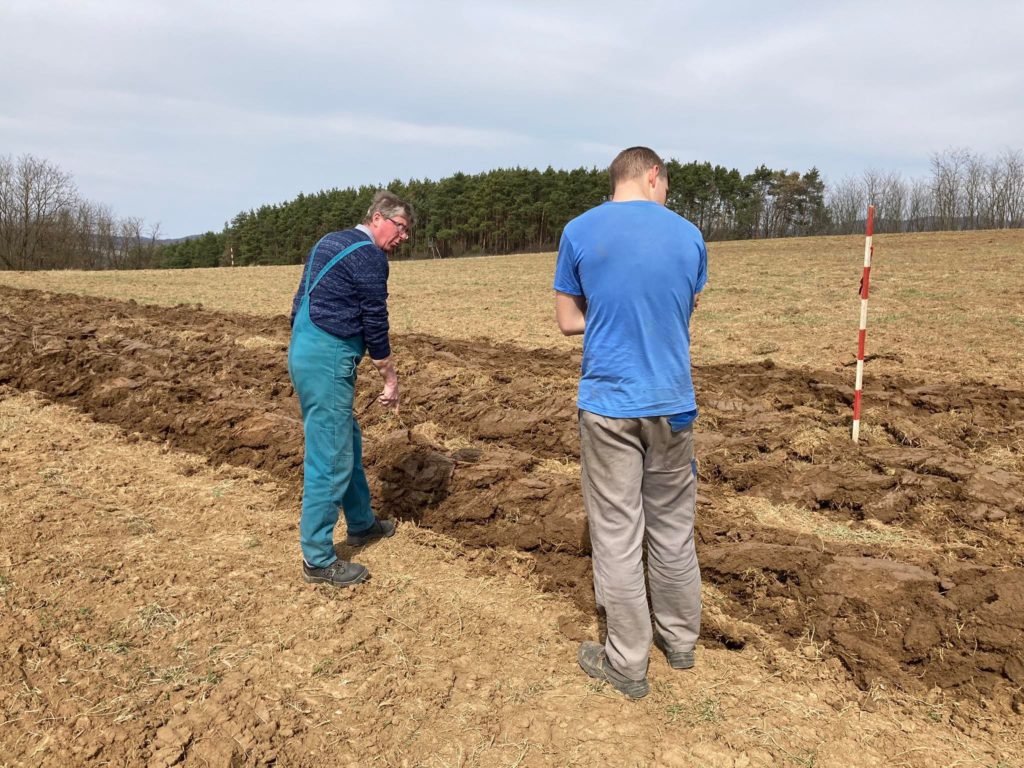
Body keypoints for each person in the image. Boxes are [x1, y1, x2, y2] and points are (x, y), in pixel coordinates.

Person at [553, 147, 707, 699]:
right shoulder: (689, 235)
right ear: (652, 176)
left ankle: (627, 660)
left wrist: (609, 309)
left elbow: (569, 321)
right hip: (672, 401)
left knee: (617, 533)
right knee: (671, 527)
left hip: (610, 404)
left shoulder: (578, 230)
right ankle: (681, 639)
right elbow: (679, 310)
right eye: (665, 185)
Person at [287, 191, 414, 587]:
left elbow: (298, 301)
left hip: (306, 348)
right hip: (327, 356)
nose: (404, 237)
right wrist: (390, 378)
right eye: (401, 227)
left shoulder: (330, 241)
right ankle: (318, 559)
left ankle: (362, 523)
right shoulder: (369, 256)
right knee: (330, 454)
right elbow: (375, 321)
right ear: (378, 218)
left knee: (348, 441)